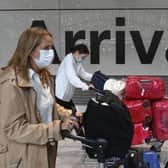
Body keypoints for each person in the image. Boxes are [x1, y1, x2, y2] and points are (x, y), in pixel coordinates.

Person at [0, 27, 78, 168]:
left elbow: (48, 105)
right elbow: (13, 128)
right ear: (29, 50)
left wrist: (68, 115)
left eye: (51, 48)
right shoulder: (11, 84)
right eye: (46, 48)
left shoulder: (44, 77)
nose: (51, 53)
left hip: (45, 148)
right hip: (23, 157)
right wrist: (56, 128)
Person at [55, 44, 94, 116]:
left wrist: (95, 77)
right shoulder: (68, 60)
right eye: (83, 57)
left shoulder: (77, 62)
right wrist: (86, 86)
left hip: (67, 97)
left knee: (74, 115)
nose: (82, 59)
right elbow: (72, 78)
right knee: (71, 116)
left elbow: (84, 74)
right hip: (60, 96)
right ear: (77, 52)